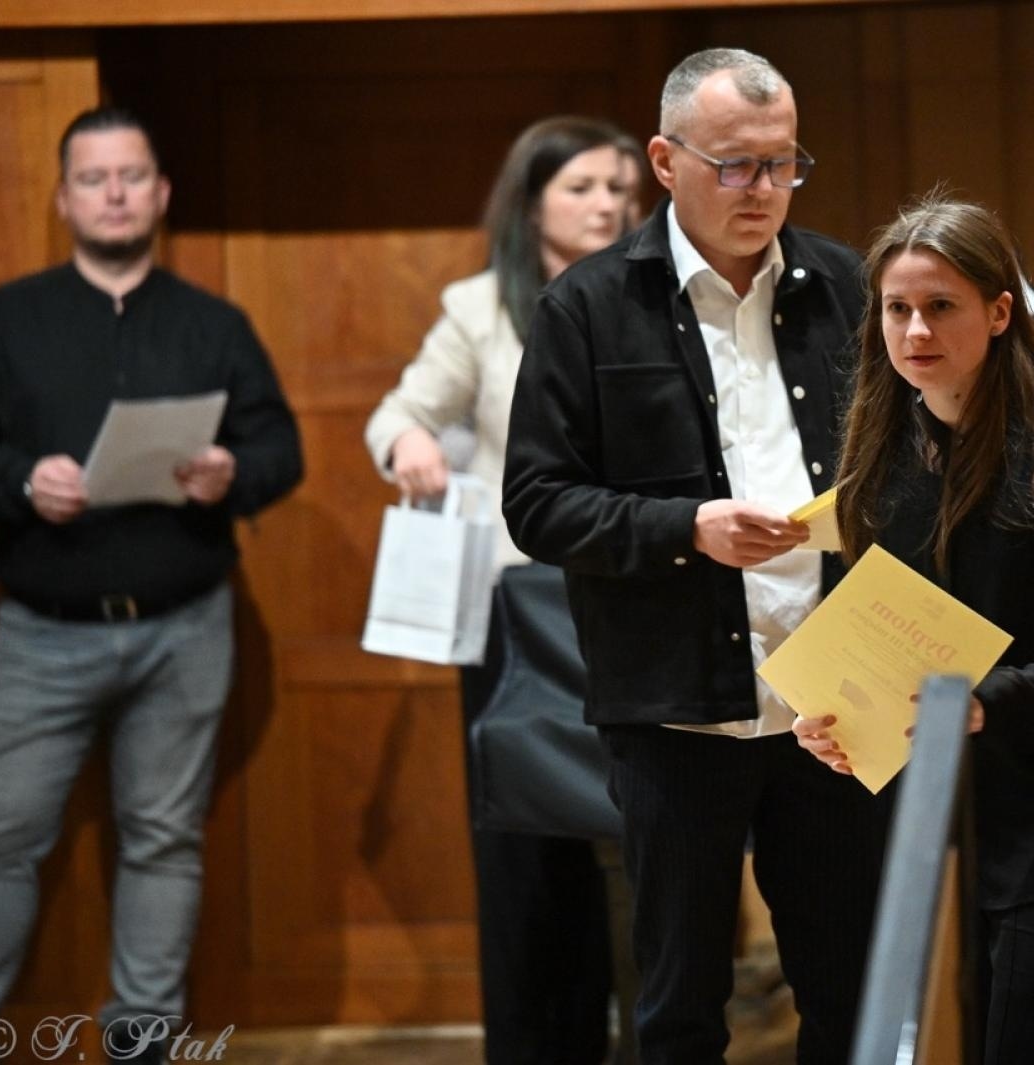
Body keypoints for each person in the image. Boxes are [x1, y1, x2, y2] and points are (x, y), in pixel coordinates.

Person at [502, 47, 890, 1065]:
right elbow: (537, 504)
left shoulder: (848, 286)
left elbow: (914, 456)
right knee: (678, 1007)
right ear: (665, 162)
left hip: (834, 702)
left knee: (850, 995)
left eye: (782, 163)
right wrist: (687, 529)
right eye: (735, 165)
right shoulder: (586, 305)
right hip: (675, 706)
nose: (762, 190)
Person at [791, 194, 1034, 1064]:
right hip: (923, 821)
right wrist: (838, 722)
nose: (915, 329)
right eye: (896, 309)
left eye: (941, 306)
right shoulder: (880, 463)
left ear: (1000, 314)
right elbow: (877, 644)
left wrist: (990, 704)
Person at [0, 106, 302, 1065]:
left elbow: (282, 448)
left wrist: (233, 473)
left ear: (159, 193)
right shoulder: (2, 318)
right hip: (41, 628)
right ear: (64, 197)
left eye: (131, 175)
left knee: (162, 838)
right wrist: (21, 483)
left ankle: (144, 1043)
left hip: (184, 626)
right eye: (93, 177)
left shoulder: (215, 325)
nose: (113, 193)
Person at [364, 115, 641, 1065]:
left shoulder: (656, 294)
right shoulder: (481, 308)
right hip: (520, 610)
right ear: (531, 204)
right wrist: (409, 444)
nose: (607, 203)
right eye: (583, 188)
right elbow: (403, 410)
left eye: (620, 188)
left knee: (645, 834)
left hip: (637, 596)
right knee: (526, 849)